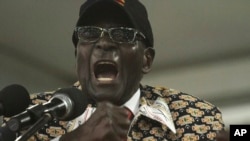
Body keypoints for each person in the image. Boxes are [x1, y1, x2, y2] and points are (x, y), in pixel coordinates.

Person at [3, 0, 227, 140]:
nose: (104, 44)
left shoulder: (195, 117)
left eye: (122, 34)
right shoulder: (28, 118)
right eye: (90, 34)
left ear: (146, 60)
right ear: (77, 56)